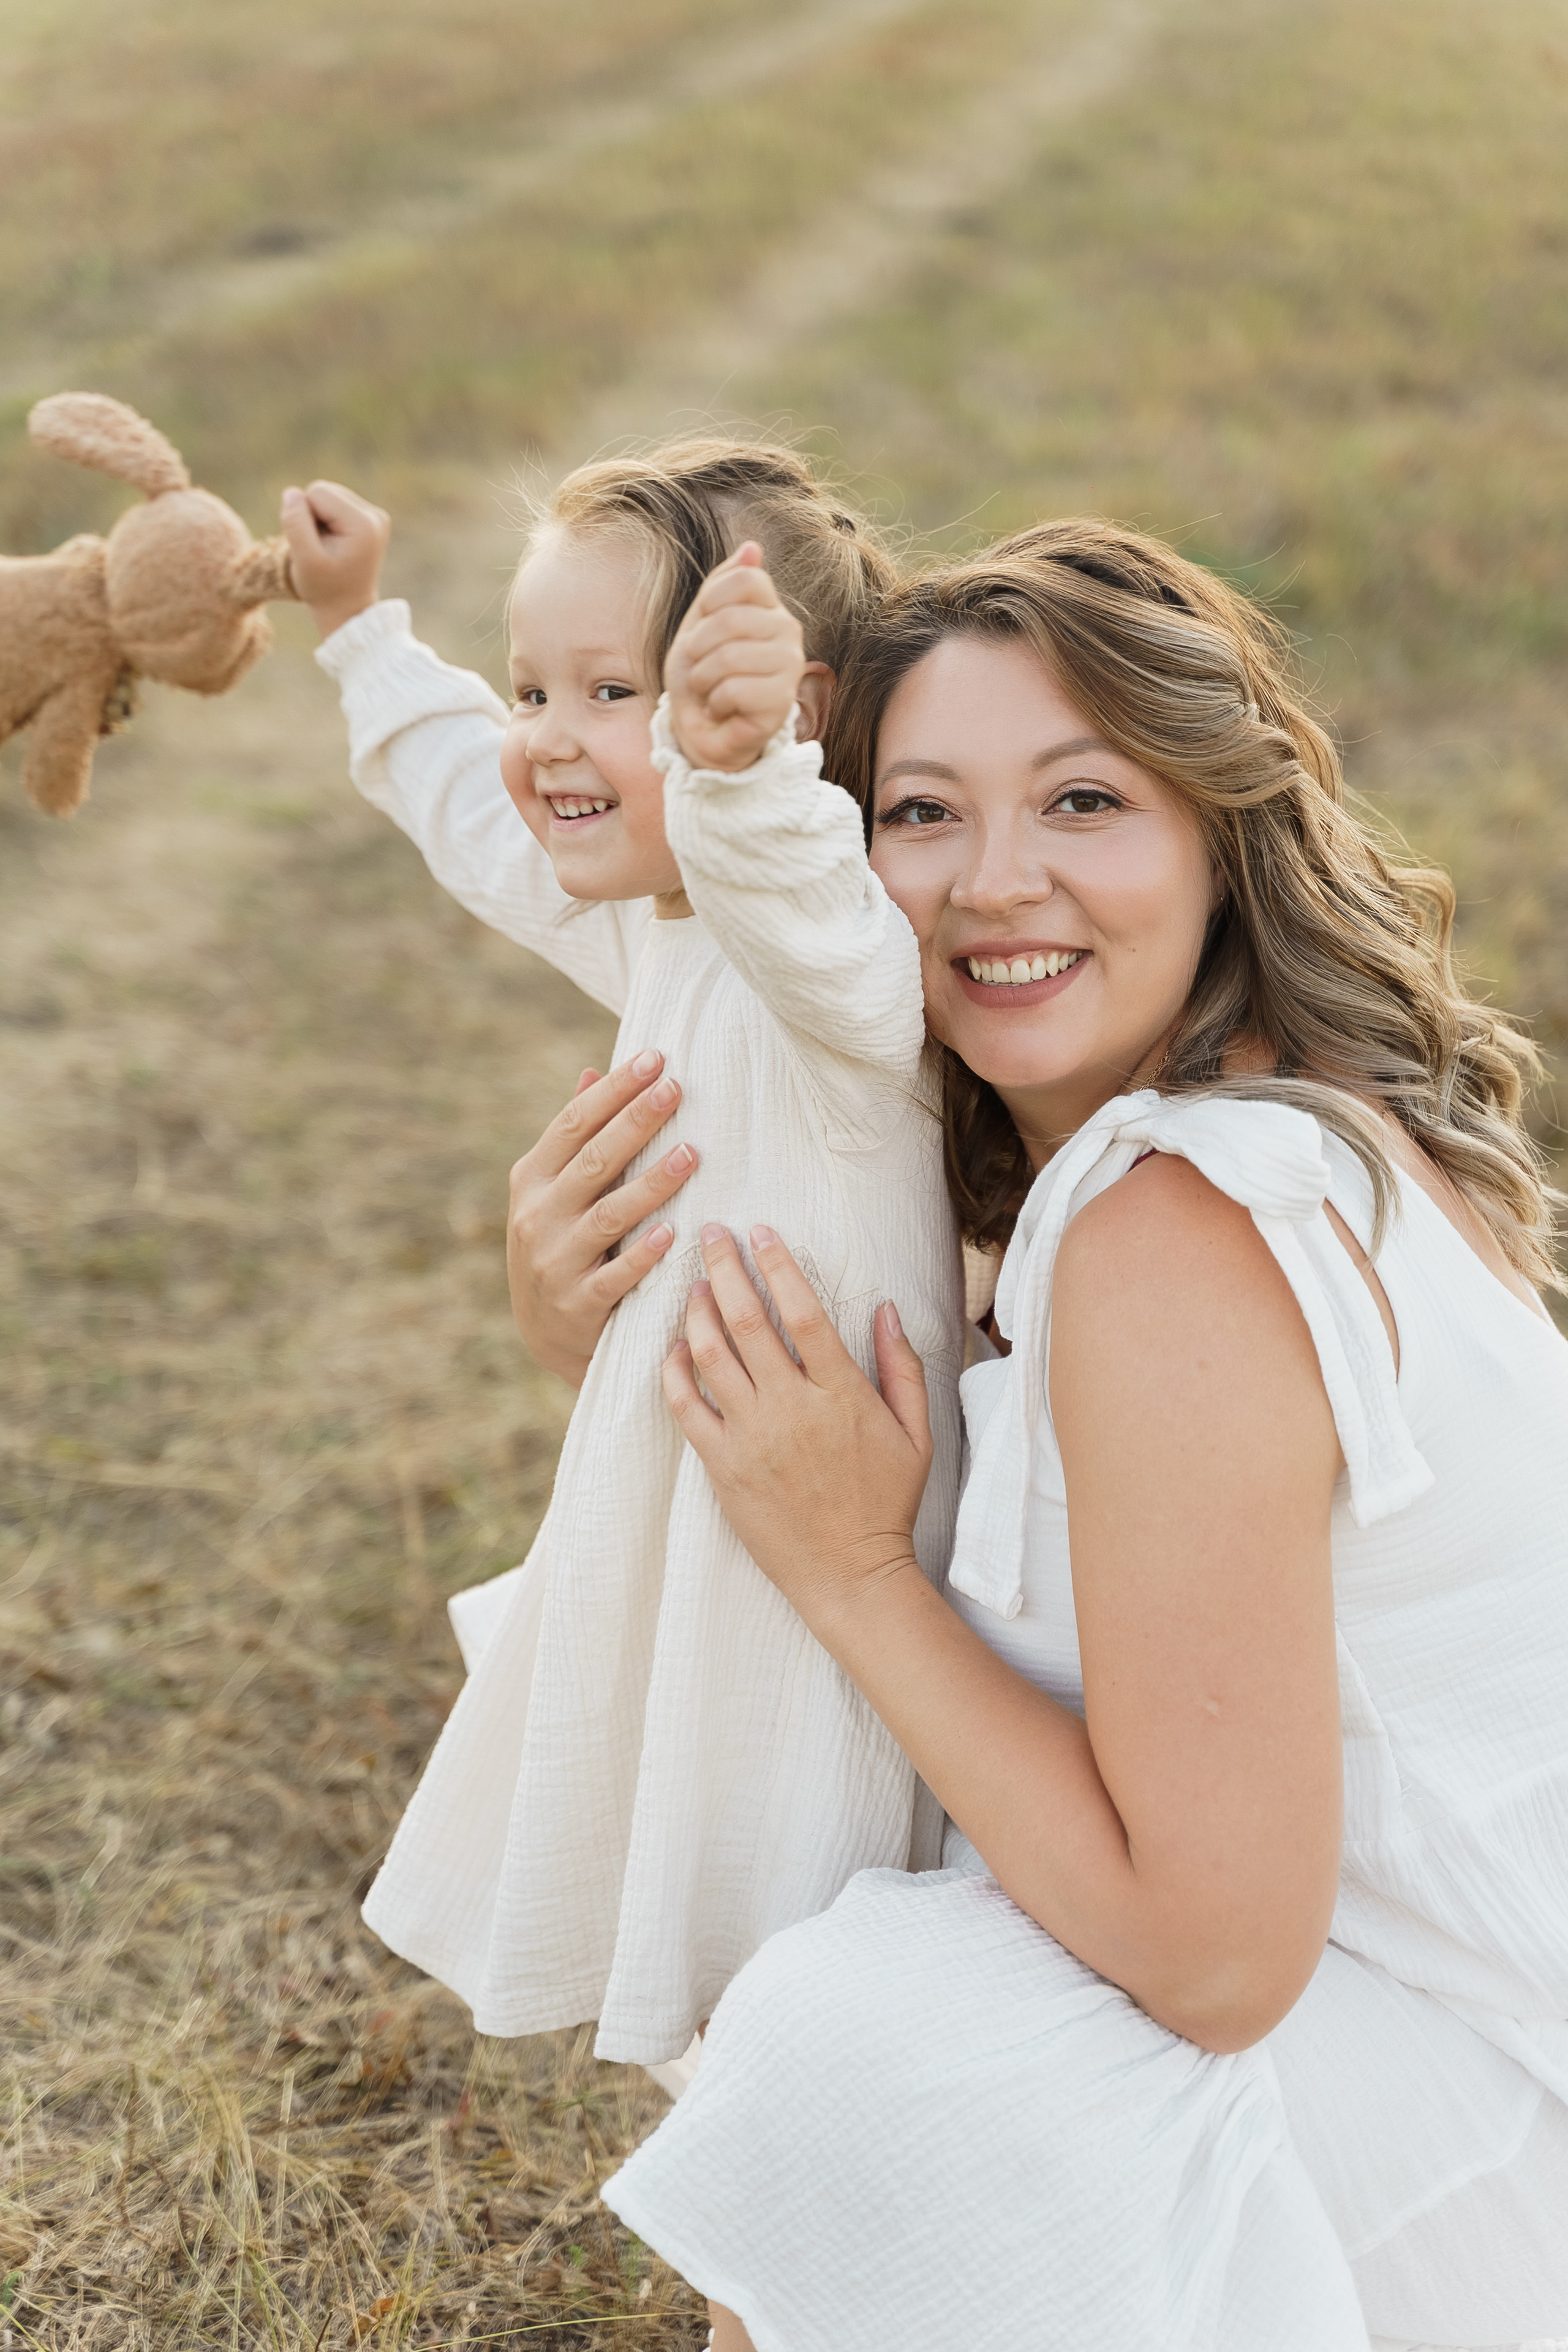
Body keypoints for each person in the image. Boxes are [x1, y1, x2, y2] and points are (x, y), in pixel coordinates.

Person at [510, 521, 1568, 2350]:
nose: (998, 882)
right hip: (1473, 2043)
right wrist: (598, 1342)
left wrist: (846, 1564)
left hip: (1473, 2148)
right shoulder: (1269, 1143)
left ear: (1218, 838)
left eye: (1085, 803)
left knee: (884, 2045)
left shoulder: (1185, 1234)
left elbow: (1219, 1963)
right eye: (921, 815)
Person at [282, 447, 965, 2072]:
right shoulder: (651, 916)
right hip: (701, 1532)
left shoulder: (843, 963)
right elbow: (481, 811)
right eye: (536, 685)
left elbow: (798, 893)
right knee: (725, 1986)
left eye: (612, 690)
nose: (546, 737)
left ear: (781, 712)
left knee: (804, 1966)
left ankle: (782, 2301)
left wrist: (739, 775)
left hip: (823, 1578)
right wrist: (365, 631)